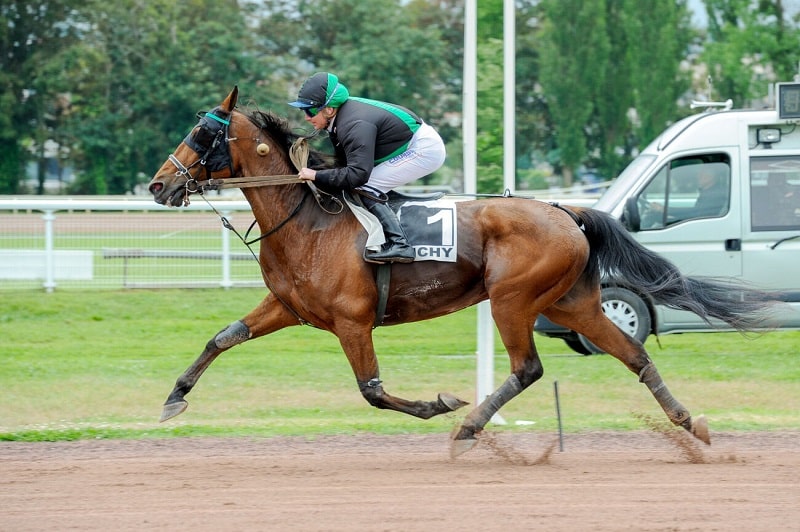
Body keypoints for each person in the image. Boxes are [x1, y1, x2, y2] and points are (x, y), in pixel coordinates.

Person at [289, 72, 446, 263]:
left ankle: (400, 245)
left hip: (424, 149)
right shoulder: (339, 119)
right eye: (303, 111)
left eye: (310, 111)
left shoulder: (353, 124)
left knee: (367, 186)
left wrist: (316, 175)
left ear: (329, 110)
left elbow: (358, 175)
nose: (306, 117)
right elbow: (345, 165)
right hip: (409, 141)